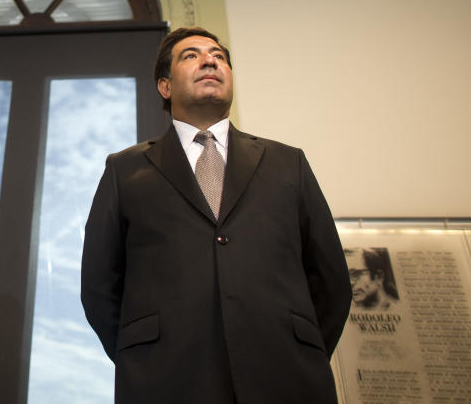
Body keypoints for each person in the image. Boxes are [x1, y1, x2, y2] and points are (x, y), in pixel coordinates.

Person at [81, 27, 351, 404]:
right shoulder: (124, 170)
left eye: (218, 56)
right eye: (190, 55)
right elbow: (99, 286)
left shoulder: (289, 163)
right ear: (164, 86)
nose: (209, 60)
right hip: (163, 382)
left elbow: (331, 280)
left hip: (287, 377)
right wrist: (143, 353)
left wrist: (298, 349)